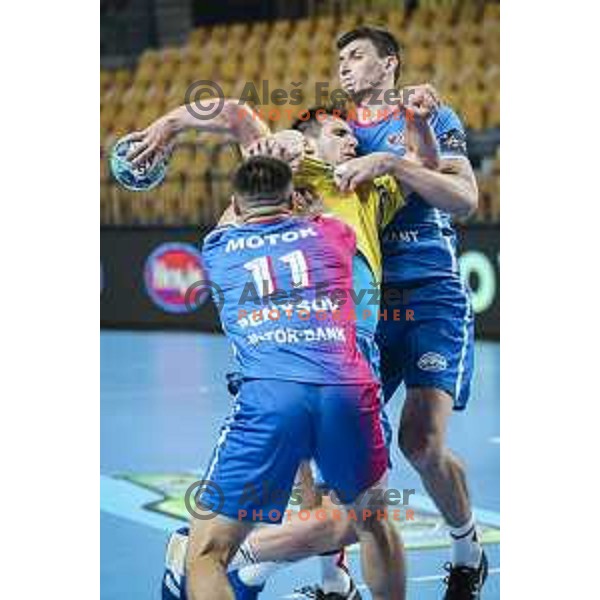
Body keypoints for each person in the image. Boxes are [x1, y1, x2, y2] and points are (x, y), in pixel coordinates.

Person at [182, 155, 404, 600]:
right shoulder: (334, 235)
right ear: (293, 198)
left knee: (206, 554)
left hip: (271, 399)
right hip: (346, 391)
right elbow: (318, 207)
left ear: (236, 204)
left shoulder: (219, 248)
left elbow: (238, 216)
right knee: (373, 523)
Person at [331, 25, 486, 599]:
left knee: (420, 443)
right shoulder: (333, 129)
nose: (345, 66)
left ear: (389, 63)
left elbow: (464, 200)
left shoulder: (429, 119)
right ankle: (333, 577)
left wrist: (392, 164)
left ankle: (467, 550)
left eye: (357, 56)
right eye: (340, 59)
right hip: (363, 302)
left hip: (430, 296)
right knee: (344, 443)